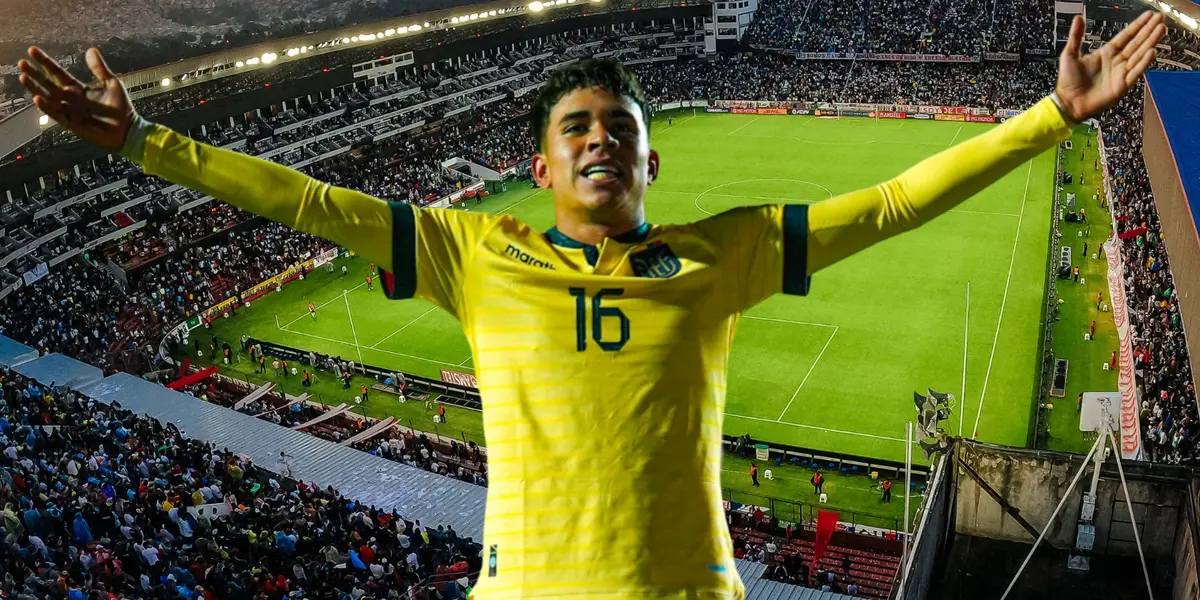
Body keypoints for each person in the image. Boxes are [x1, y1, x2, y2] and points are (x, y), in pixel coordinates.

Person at [18, 13, 1164, 596]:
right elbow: (310, 199)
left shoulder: (726, 252)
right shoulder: (474, 251)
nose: (601, 139)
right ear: (542, 166)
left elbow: (894, 204)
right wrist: (147, 143)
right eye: (577, 128)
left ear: (651, 164)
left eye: (622, 128)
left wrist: (1051, 117)